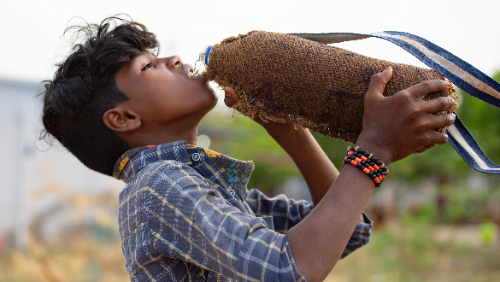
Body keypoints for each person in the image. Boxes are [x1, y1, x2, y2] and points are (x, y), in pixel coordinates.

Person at [40, 17, 456, 282]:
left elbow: (349, 232)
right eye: (149, 66)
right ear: (124, 119)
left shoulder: (201, 185)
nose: (173, 59)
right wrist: (374, 148)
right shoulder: (158, 187)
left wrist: (289, 131)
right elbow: (288, 268)